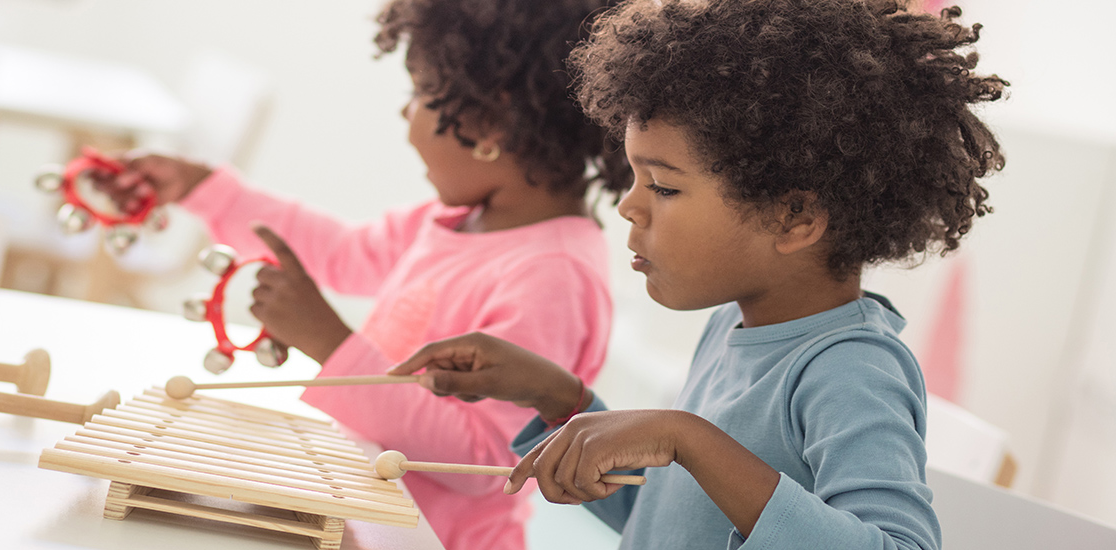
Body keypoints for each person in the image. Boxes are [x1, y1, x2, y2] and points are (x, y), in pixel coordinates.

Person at [388, 0, 1007, 548]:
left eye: (662, 185)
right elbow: (670, 523)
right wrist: (557, 397)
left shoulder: (851, 370)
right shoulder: (731, 328)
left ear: (793, 217)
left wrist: (687, 437)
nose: (629, 205)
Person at [94, 1, 630, 549]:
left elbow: (487, 459)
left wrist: (330, 344)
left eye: (419, 93)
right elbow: (341, 253)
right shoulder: (454, 222)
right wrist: (201, 186)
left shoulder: (553, 275)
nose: (405, 116)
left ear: (489, 120)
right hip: (359, 519)